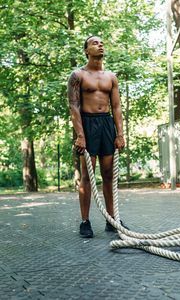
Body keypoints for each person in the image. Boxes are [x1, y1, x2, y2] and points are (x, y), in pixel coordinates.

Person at [68, 36, 128, 238]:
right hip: (87, 123)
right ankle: (85, 222)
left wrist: (120, 134)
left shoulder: (111, 77)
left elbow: (117, 107)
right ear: (86, 50)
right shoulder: (77, 75)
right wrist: (80, 135)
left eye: (102, 43)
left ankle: (112, 220)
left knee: (109, 175)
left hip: (106, 124)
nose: (100, 45)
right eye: (95, 43)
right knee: (88, 175)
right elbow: (74, 106)